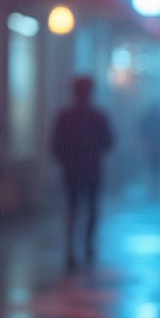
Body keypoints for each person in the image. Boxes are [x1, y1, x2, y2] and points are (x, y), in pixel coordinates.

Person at [50, 76, 114, 269]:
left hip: (72, 169)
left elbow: (56, 144)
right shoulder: (97, 116)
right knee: (91, 208)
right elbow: (109, 141)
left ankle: (71, 246)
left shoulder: (65, 116)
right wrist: (92, 151)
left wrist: (67, 158)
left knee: (73, 207)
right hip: (91, 169)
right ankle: (87, 244)